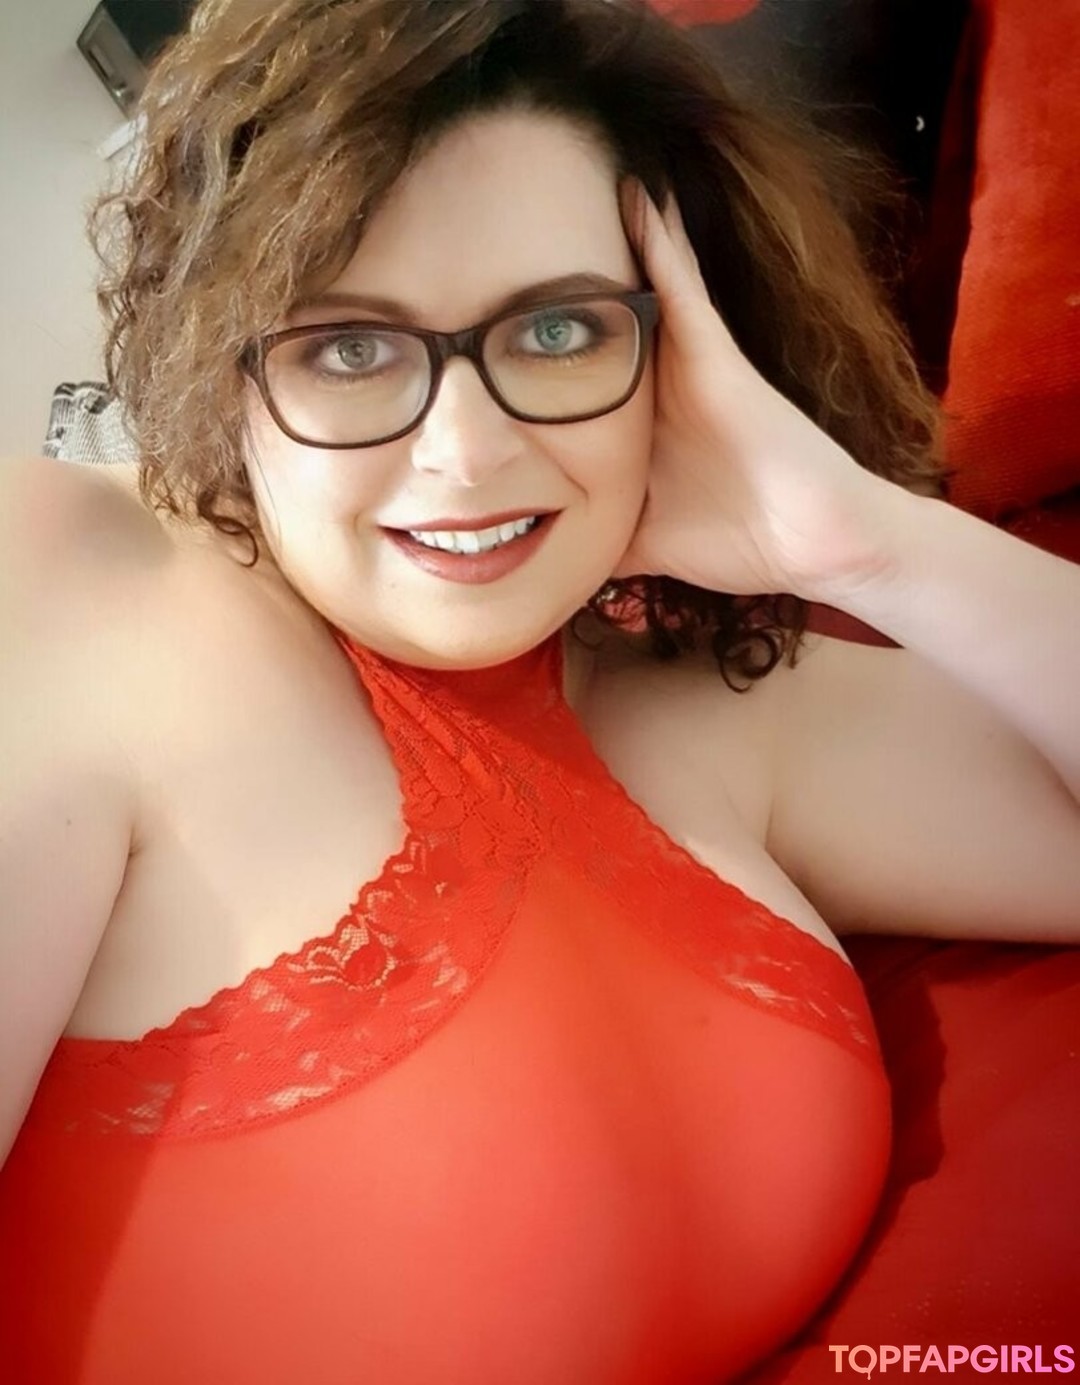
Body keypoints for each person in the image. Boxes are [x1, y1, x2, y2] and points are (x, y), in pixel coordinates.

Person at [1, 0, 1077, 1381]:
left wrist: (860, 539)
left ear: (678, 349)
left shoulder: (708, 707)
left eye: (558, 331)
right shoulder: (74, 579)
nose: (466, 453)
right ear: (226, 368)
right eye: (347, 346)